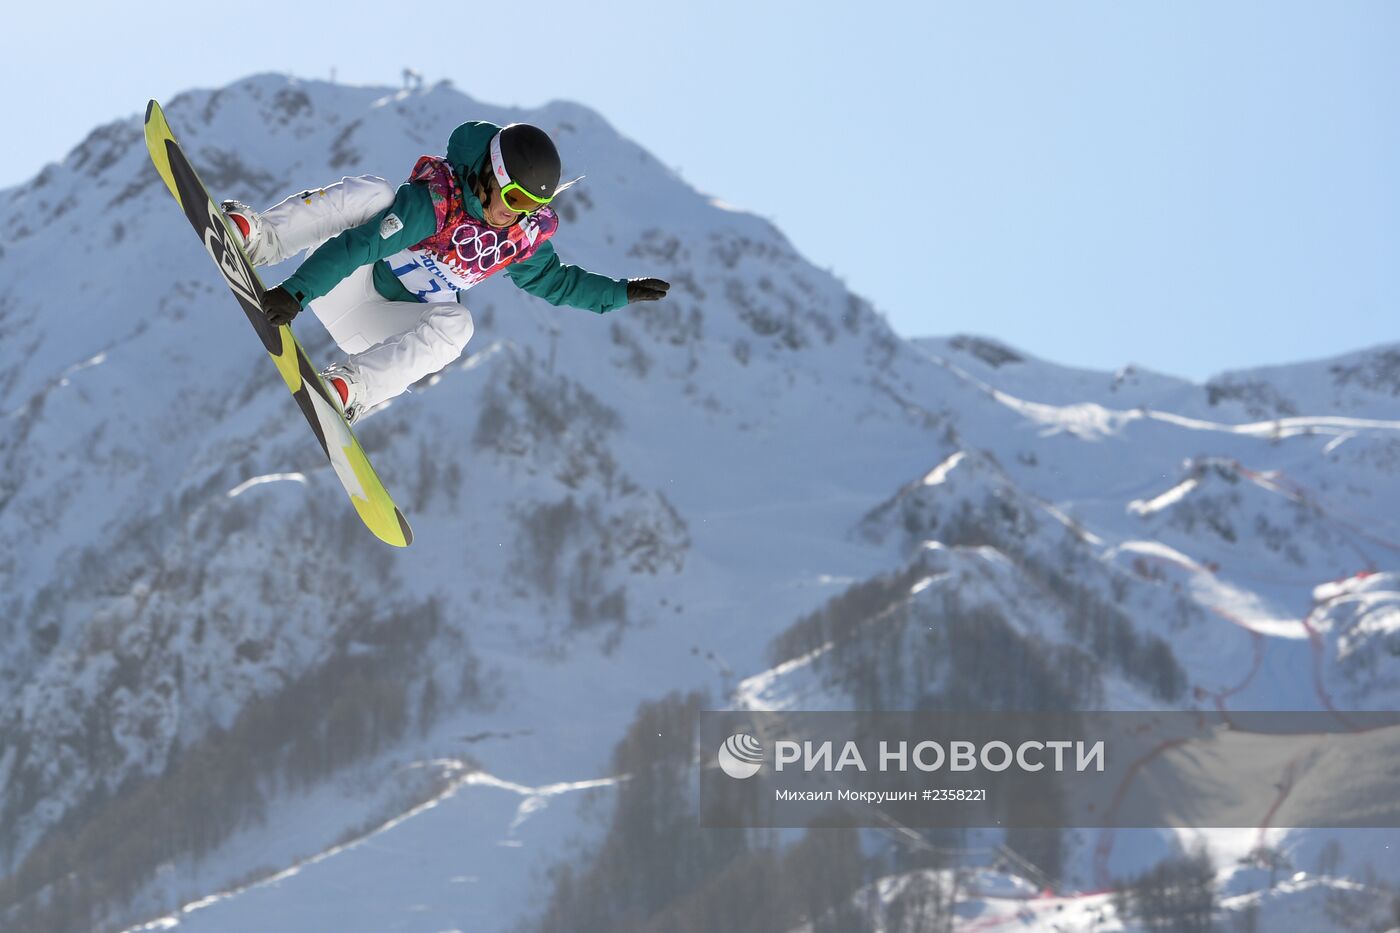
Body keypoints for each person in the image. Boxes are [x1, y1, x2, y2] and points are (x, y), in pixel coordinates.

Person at [223, 120, 671, 422]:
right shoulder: (436, 203)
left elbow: (555, 281)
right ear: (487, 177)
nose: (513, 215)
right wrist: (297, 292)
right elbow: (361, 244)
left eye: (531, 208)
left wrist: (618, 293)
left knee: (459, 324)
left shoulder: (515, 238)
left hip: (378, 327)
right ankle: (261, 238)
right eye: (513, 199)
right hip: (338, 281)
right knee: (373, 195)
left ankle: (351, 389)